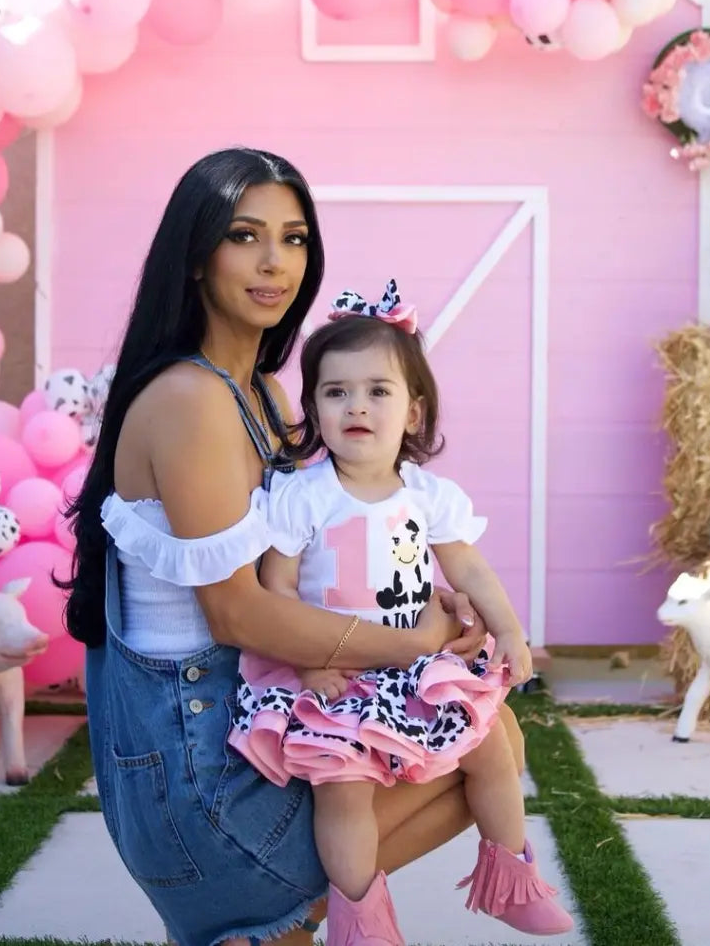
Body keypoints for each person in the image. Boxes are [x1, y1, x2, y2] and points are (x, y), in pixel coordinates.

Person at [60, 148, 527, 946]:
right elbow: (237, 612)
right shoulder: (191, 399)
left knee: (484, 728)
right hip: (205, 782)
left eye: (295, 237)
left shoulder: (265, 393)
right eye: (245, 236)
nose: (275, 261)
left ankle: (282, 927)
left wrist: (424, 596)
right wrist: (410, 641)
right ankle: (269, 921)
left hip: (260, 724)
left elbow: (329, 542)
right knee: (486, 735)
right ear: (197, 256)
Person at [229, 282, 573, 943]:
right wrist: (308, 665)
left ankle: (508, 874)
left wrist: (508, 630)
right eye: (335, 391)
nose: (356, 404)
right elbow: (274, 591)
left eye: (377, 390)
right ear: (315, 408)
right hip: (332, 674)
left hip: (412, 667)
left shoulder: (427, 495)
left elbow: (466, 568)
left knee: (492, 739)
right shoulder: (304, 497)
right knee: (344, 788)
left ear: (413, 412)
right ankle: (360, 918)